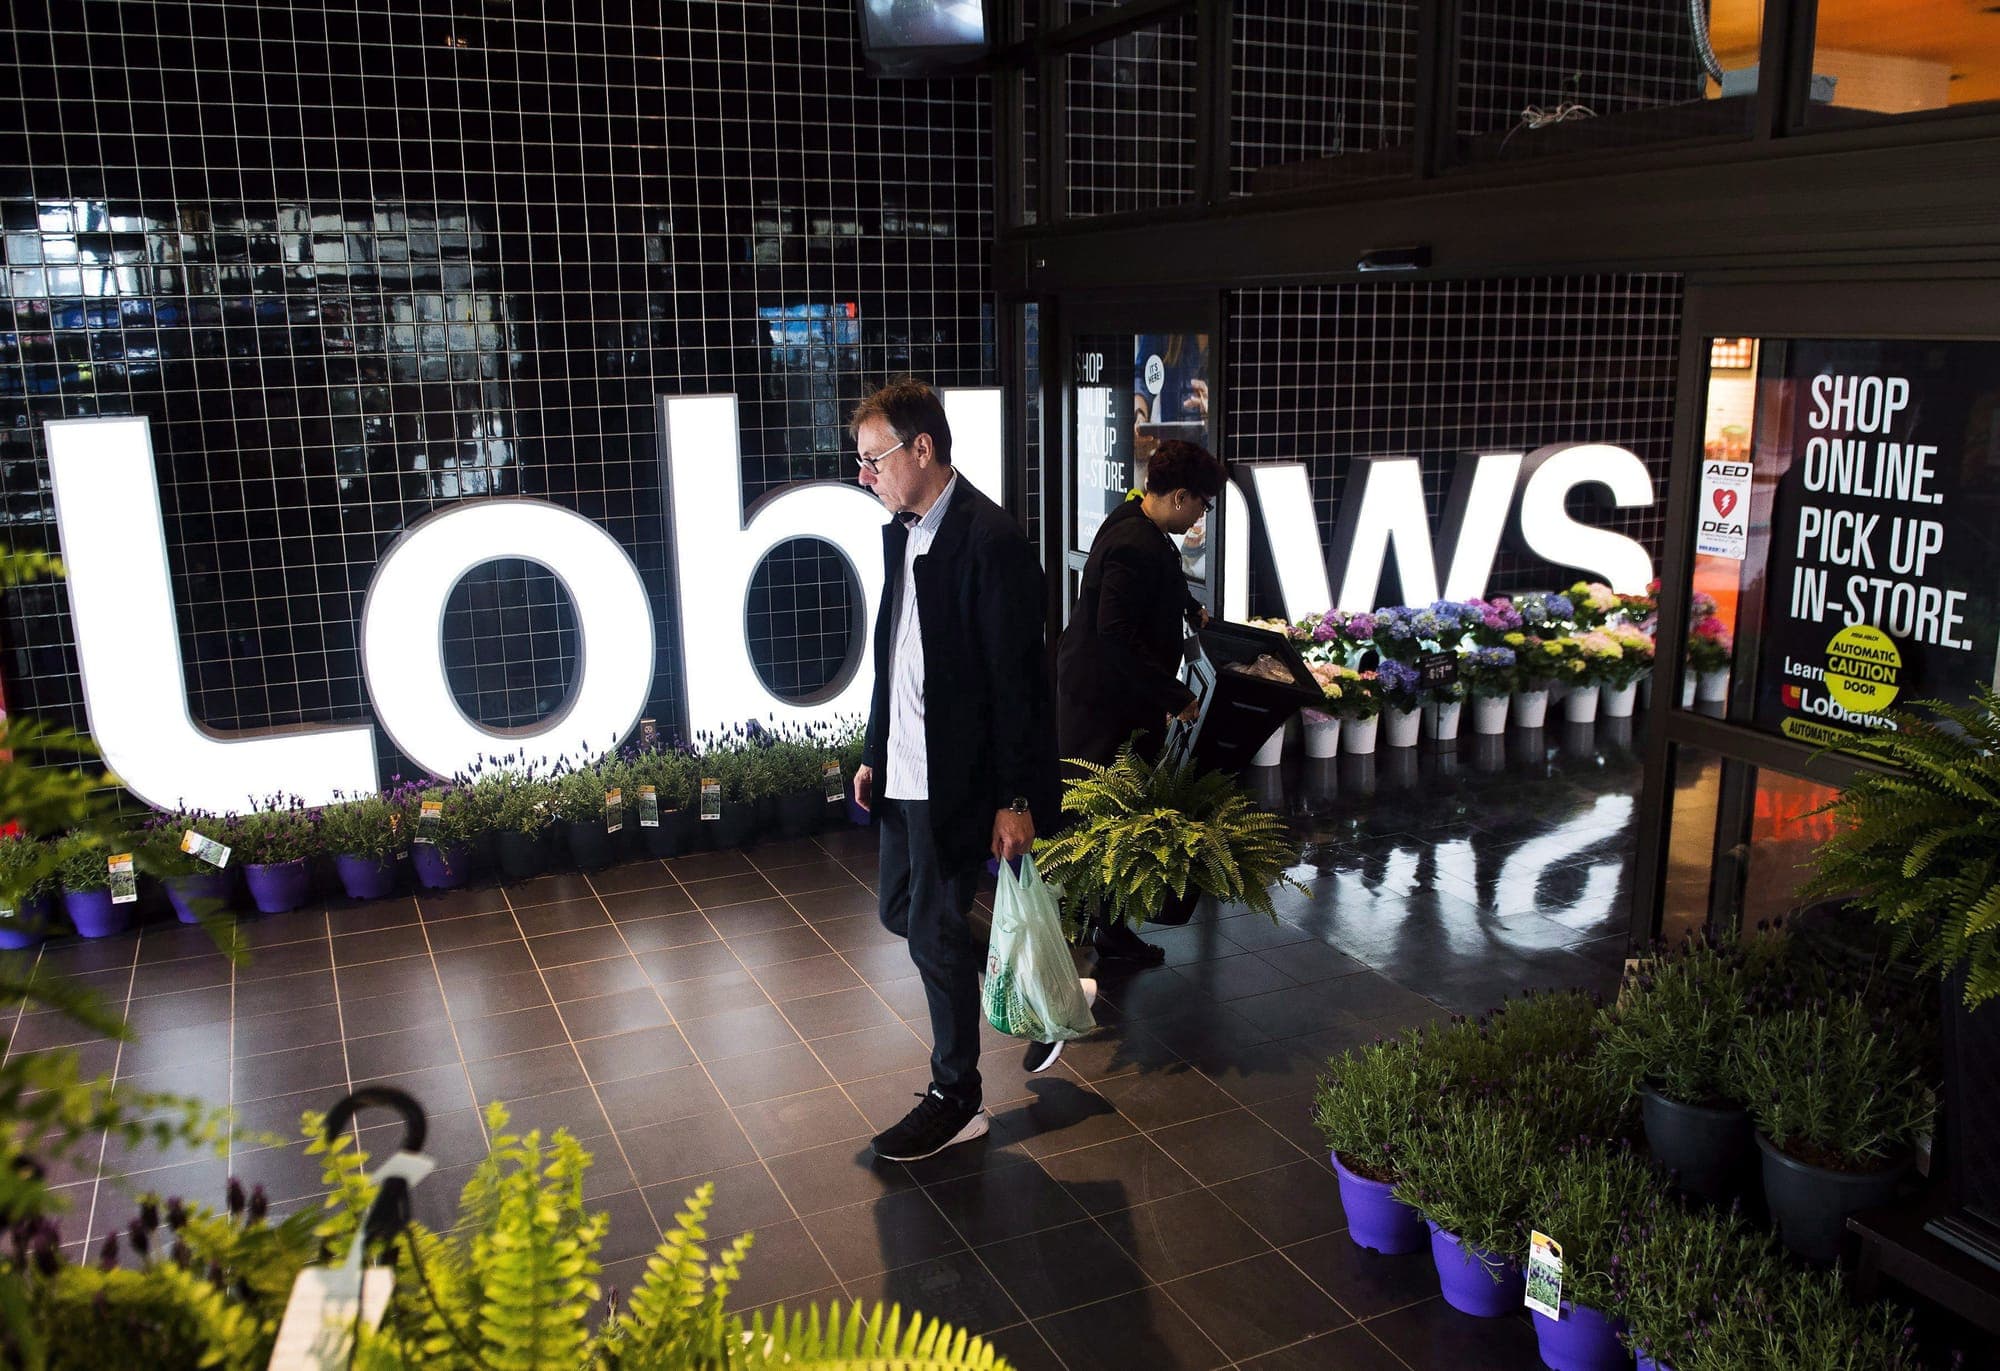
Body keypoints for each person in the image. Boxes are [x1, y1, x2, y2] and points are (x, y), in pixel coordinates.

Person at [849, 377, 1060, 1163]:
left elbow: (1019, 685)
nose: (865, 475)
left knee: (935, 932)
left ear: (923, 448)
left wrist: (1016, 796)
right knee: (901, 911)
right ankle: (1037, 987)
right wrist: (875, 748)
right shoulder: (903, 531)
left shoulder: (991, 539)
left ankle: (957, 1094)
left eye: (874, 459)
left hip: (958, 776)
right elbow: (895, 654)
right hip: (904, 766)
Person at [1051, 439, 1225, 976]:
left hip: (1109, 696)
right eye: (1202, 504)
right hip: (1104, 704)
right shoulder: (1135, 541)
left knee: (1115, 813)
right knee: (1099, 818)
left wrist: (1188, 607)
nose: (1201, 517)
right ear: (1179, 496)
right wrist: (1176, 696)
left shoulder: (1135, 518)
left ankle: (1107, 928)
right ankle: (1073, 939)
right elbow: (1116, 634)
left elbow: (1157, 580)